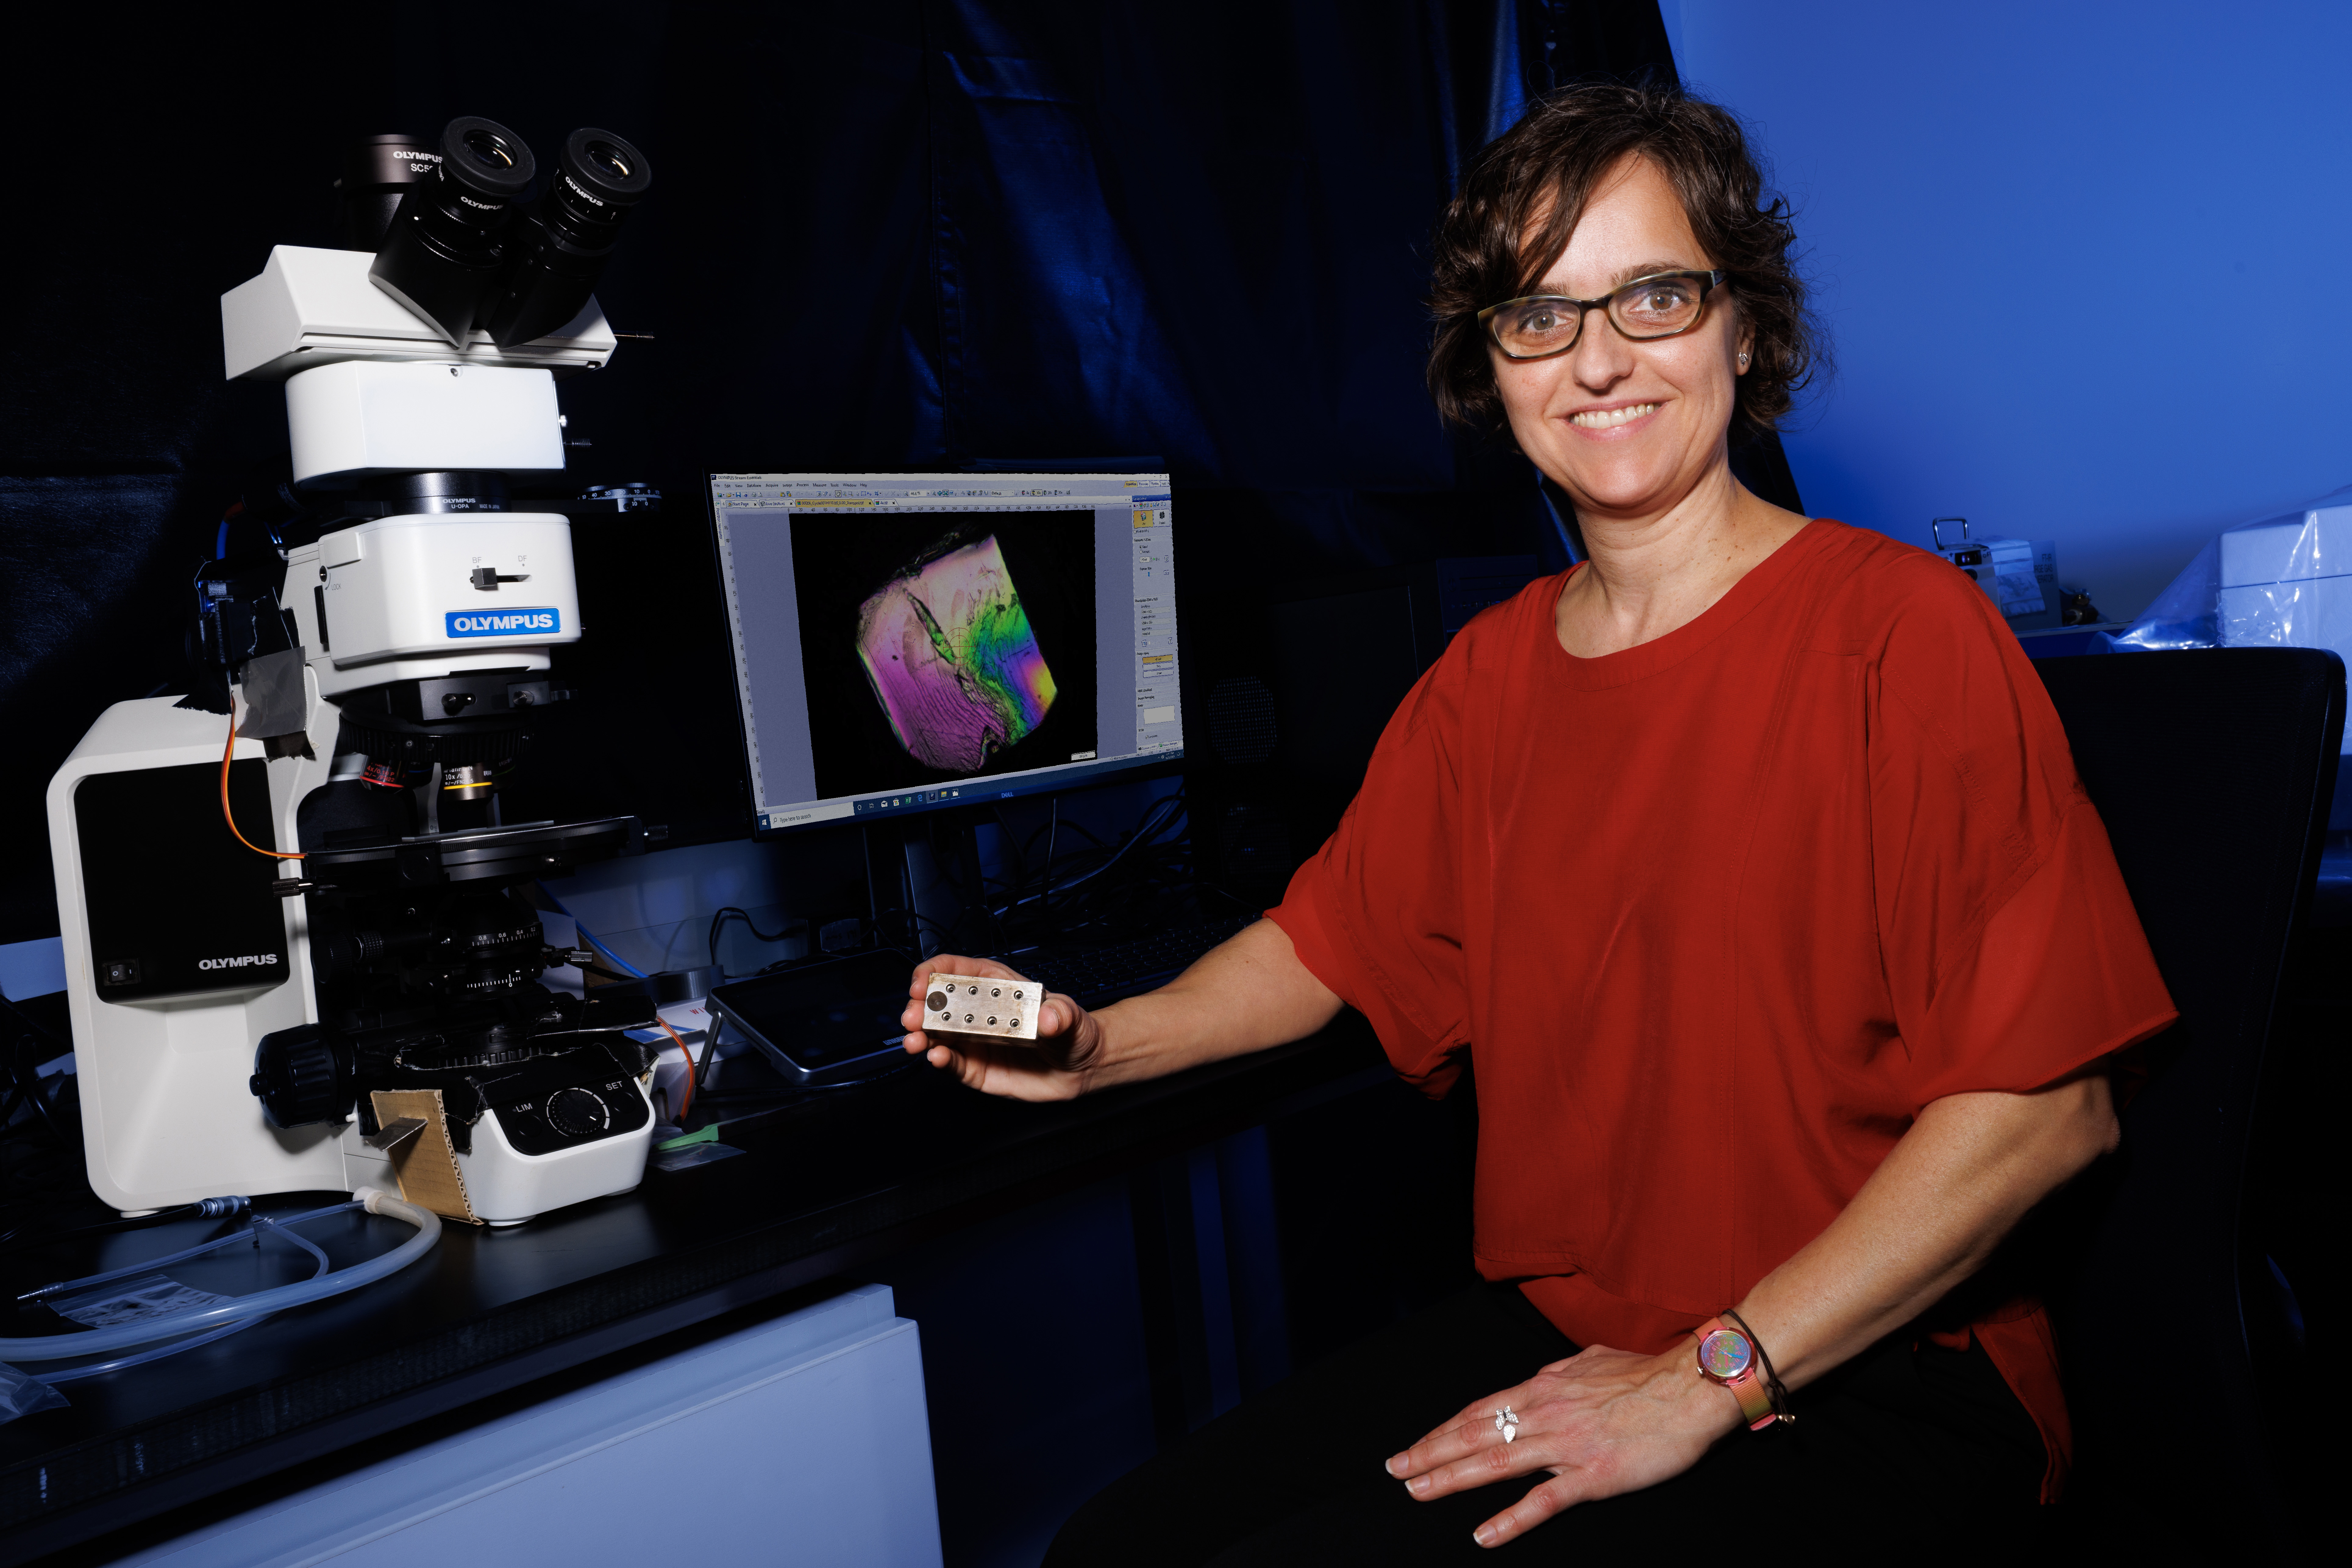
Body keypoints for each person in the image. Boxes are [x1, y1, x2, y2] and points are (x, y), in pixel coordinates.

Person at [900, 83, 2174, 1563]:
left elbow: (2047, 1110)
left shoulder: (1905, 636)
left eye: (1653, 295)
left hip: (1865, 1368)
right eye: (1540, 315)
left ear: (1743, 328)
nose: (1598, 359)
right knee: (1118, 1548)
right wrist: (1100, 1044)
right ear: (1492, 369)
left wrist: (1709, 1376)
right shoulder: (1490, 675)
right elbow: (1323, 944)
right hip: (1577, 1339)